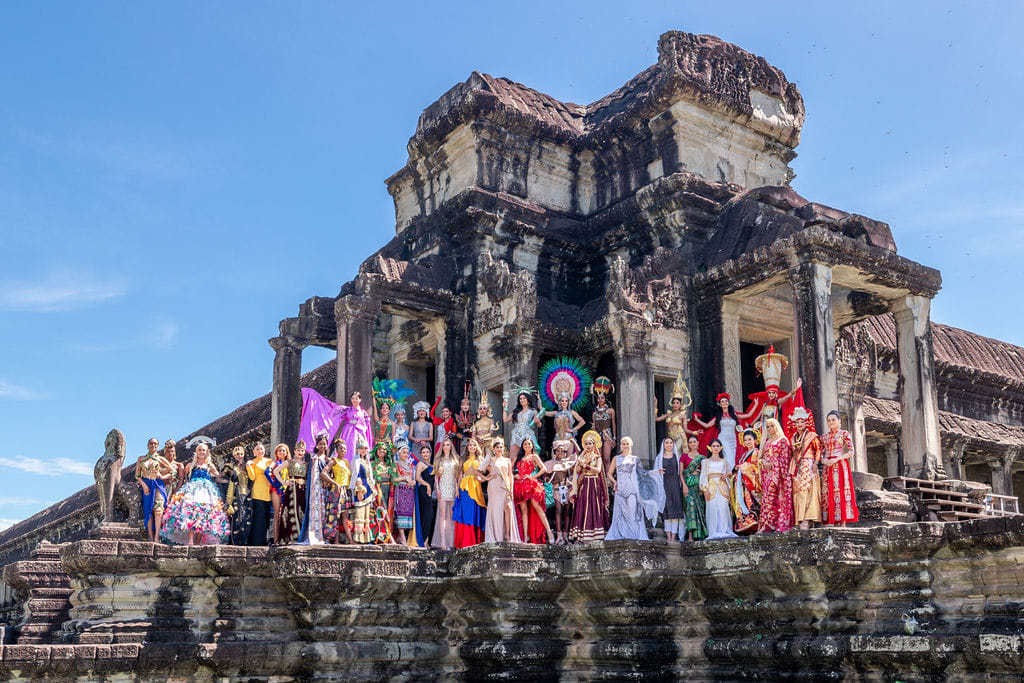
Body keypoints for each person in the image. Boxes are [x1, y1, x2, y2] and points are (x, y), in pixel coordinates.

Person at [160, 442, 230, 546]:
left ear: (207, 452)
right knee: (191, 512)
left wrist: (227, 477)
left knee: (203, 515)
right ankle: (190, 540)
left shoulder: (209, 465)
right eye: (200, 450)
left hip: (206, 491)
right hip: (193, 490)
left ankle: (198, 542)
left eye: (204, 450)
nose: (202, 452)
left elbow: (218, 476)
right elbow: (183, 479)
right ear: (196, 452)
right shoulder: (190, 465)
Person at [736, 347, 803, 440]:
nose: (771, 394)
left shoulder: (778, 402)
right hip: (764, 428)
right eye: (770, 393)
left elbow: (788, 396)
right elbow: (760, 415)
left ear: (776, 394)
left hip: (775, 428)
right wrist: (751, 424)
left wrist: (797, 387)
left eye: (773, 393)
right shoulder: (765, 404)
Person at [605, 436, 660, 541]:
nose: (625, 446)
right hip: (620, 489)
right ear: (621, 445)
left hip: (632, 489)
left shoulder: (635, 459)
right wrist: (615, 482)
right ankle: (623, 534)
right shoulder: (616, 458)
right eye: (623, 444)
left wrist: (655, 472)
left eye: (627, 444)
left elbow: (642, 474)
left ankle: (634, 535)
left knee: (632, 512)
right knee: (621, 513)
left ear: (631, 445)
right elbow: (609, 474)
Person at [567, 430, 609, 543]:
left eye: (590, 443)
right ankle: (581, 535)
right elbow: (578, 471)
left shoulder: (597, 457)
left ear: (594, 444)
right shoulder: (582, 457)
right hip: (584, 483)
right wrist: (580, 465)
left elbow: (598, 470)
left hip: (594, 484)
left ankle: (594, 535)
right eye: (586, 443)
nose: (588, 445)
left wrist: (585, 465)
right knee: (583, 506)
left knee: (593, 507)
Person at [478, 438, 522, 543]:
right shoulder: (490, 458)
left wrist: (511, 490)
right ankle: (497, 537)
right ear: (494, 449)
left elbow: (510, 475)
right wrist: (486, 478)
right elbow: (478, 470)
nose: (499, 449)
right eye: (497, 447)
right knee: (496, 510)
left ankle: (508, 535)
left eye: (501, 447)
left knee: (508, 509)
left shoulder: (507, 460)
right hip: (494, 486)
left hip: (505, 487)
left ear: (503, 448)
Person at [821, 410, 860, 526]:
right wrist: (824, 460)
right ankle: (833, 521)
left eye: (833, 420)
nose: (831, 422)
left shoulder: (844, 434)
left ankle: (842, 522)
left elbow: (851, 451)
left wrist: (836, 459)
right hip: (827, 467)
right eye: (828, 420)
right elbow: (819, 453)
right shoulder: (823, 437)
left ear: (839, 421)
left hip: (839, 465)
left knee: (841, 491)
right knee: (828, 492)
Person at [513, 438, 555, 544]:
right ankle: (526, 536)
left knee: (537, 507)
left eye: (529, 444)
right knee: (524, 510)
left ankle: (549, 532)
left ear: (532, 446)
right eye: (525, 444)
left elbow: (544, 469)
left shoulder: (534, 456)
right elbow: (514, 471)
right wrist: (515, 475)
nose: (527, 445)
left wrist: (533, 477)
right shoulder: (519, 458)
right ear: (522, 446)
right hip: (520, 486)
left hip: (531, 485)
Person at [135, 437, 176, 542]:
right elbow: (137, 475)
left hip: (157, 484)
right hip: (146, 484)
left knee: (158, 510)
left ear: (158, 446)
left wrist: (163, 477)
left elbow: (173, 472)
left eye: (155, 444)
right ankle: (150, 536)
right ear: (148, 445)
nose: (153, 446)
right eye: (151, 444)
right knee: (148, 511)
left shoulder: (160, 459)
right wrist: (143, 485)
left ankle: (157, 536)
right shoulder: (141, 459)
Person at [758, 418, 793, 533]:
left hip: (780, 475)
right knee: (768, 499)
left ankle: (781, 523)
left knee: (780, 498)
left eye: (772, 426)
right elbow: (762, 457)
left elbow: (786, 458)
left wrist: (773, 465)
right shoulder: (766, 442)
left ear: (776, 426)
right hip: (768, 475)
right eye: (767, 427)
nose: (770, 429)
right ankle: (768, 524)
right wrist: (763, 462)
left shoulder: (783, 440)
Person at [789, 407, 822, 530]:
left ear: (806, 422)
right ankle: (800, 518)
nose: (799, 424)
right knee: (798, 492)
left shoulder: (812, 435)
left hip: (808, 463)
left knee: (808, 490)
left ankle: (808, 518)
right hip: (796, 465)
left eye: (801, 421)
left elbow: (818, 450)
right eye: (797, 422)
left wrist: (815, 463)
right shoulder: (793, 437)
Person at [693, 393, 743, 471]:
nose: (724, 403)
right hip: (723, 439)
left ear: (728, 402)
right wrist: (696, 419)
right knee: (728, 458)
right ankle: (727, 476)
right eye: (722, 401)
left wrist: (757, 404)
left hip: (733, 440)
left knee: (733, 459)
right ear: (719, 404)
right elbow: (707, 425)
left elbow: (748, 415)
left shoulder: (734, 414)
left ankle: (730, 478)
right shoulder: (718, 416)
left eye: (726, 401)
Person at [452, 437, 486, 548]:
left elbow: (482, 474)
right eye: (470, 445)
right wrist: (457, 489)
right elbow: (460, 475)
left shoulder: (481, 459)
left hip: (476, 487)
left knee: (474, 512)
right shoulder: (463, 459)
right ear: (467, 447)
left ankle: (475, 540)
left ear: (477, 447)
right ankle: (465, 541)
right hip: (464, 488)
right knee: (465, 513)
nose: (472, 447)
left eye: (474, 445)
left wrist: (483, 479)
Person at [701, 439, 738, 540]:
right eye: (714, 446)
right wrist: (705, 490)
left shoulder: (724, 461)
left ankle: (725, 529)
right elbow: (703, 476)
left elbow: (730, 473)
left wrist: (725, 475)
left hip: (722, 486)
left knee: (723, 507)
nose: (716, 448)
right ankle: (713, 531)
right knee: (712, 507)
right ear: (710, 448)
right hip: (711, 485)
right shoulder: (705, 461)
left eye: (718, 446)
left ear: (720, 447)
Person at [296, 433, 329, 545]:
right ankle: (314, 534)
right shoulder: (314, 458)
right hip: (315, 487)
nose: (322, 446)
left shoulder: (327, 459)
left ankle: (323, 535)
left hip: (325, 488)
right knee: (315, 511)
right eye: (320, 444)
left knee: (324, 511)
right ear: (316, 445)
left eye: (324, 444)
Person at [655, 373, 699, 455]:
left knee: (677, 453)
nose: (675, 404)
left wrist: (694, 432)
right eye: (674, 402)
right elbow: (656, 419)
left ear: (680, 405)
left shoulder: (683, 416)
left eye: (677, 403)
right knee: (669, 453)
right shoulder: (668, 415)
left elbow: (686, 429)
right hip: (670, 437)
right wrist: (655, 404)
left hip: (679, 436)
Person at [273, 443, 309, 545]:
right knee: (290, 512)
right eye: (298, 450)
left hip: (302, 490)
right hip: (292, 489)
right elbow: (276, 471)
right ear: (294, 451)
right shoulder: (290, 462)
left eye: (302, 450)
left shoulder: (307, 464)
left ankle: (300, 537)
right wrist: (284, 482)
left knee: (301, 511)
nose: (300, 452)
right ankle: (290, 537)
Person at [652, 437, 686, 542]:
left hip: (675, 486)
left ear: (673, 445)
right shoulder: (659, 458)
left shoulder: (677, 457)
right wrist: (658, 471)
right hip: (664, 487)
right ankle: (669, 537)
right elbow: (654, 473)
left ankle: (674, 537)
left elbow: (681, 472)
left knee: (675, 513)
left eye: (671, 443)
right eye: (666, 442)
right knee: (667, 512)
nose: (669, 444)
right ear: (663, 445)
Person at [546, 439, 577, 545]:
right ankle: (559, 535)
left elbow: (578, 456)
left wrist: (574, 443)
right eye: (558, 451)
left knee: (567, 511)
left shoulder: (569, 462)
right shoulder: (551, 464)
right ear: (555, 452)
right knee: (558, 510)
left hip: (566, 488)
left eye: (562, 451)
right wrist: (551, 479)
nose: (560, 453)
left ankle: (566, 534)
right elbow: (546, 477)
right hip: (556, 488)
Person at [322, 439, 353, 544]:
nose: (343, 450)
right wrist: (335, 483)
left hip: (346, 490)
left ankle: (350, 540)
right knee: (336, 516)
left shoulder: (346, 462)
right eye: (341, 448)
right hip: (337, 490)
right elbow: (323, 473)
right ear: (336, 450)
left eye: (345, 449)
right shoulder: (334, 460)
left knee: (345, 516)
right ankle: (335, 540)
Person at [221, 446, 253, 546]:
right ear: (234, 455)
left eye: (241, 454)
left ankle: (245, 541)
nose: (239, 456)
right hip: (234, 495)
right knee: (235, 517)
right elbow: (219, 479)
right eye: (237, 454)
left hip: (247, 495)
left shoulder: (247, 466)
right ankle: (234, 542)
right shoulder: (229, 466)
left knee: (246, 518)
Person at [431, 438, 460, 549]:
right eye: (444, 445)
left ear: (451, 446)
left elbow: (458, 476)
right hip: (442, 488)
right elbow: (435, 476)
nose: (446, 447)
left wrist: (457, 489)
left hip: (452, 489)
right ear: (442, 447)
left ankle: (451, 542)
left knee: (452, 517)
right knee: (442, 516)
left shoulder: (455, 460)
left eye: (448, 445)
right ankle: (442, 542)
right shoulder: (439, 460)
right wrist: (437, 489)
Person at [731, 430, 761, 535]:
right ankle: (746, 526)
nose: (747, 442)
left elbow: (756, 467)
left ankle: (755, 524)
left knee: (751, 503)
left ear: (755, 440)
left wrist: (742, 467)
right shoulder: (744, 455)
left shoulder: (756, 452)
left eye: (750, 439)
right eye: (745, 440)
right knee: (744, 503)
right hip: (742, 483)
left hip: (750, 482)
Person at [245, 442, 274, 546]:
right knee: (259, 518)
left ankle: (267, 540)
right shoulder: (252, 462)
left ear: (264, 450)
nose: (259, 451)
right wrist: (249, 466)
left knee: (267, 517)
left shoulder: (269, 461)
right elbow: (252, 477)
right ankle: (257, 542)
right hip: (257, 492)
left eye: (261, 449)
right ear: (254, 451)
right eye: (257, 449)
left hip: (269, 492)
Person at [681, 436, 708, 541]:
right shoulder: (684, 457)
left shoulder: (702, 458)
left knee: (700, 509)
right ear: (688, 444)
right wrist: (684, 485)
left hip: (699, 487)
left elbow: (706, 473)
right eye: (690, 442)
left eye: (694, 442)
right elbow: (681, 473)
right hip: (688, 486)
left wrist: (699, 472)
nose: (692, 444)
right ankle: (691, 535)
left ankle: (701, 533)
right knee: (690, 508)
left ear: (697, 443)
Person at [503, 391, 543, 462]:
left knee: (528, 457)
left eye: (524, 398)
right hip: (516, 435)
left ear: (528, 400)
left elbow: (539, 425)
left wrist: (537, 421)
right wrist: (505, 408)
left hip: (527, 435)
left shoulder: (533, 411)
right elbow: (505, 419)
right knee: (512, 457)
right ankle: (512, 472)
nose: (522, 400)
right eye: (520, 399)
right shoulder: (516, 411)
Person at [338, 391, 374, 467]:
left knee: (359, 450)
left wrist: (360, 426)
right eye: (353, 398)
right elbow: (336, 413)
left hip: (359, 434)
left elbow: (367, 425)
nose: (354, 400)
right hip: (347, 434)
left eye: (356, 398)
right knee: (347, 449)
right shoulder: (347, 410)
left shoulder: (363, 413)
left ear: (360, 399)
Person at [411, 445, 437, 547]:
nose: (425, 454)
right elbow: (417, 478)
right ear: (421, 454)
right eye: (423, 452)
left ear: (430, 453)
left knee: (430, 516)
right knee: (427, 515)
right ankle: (423, 541)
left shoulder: (432, 465)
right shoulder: (420, 464)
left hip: (431, 492)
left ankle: (426, 540)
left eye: (427, 452)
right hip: (424, 491)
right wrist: (427, 485)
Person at [590, 377, 617, 474]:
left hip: (608, 435)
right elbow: (594, 426)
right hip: (597, 436)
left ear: (605, 399)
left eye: (602, 398)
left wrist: (614, 437)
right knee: (599, 459)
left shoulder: (610, 411)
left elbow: (613, 424)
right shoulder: (594, 413)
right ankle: (601, 479)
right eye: (598, 398)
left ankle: (608, 477)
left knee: (606, 458)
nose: (600, 400)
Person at [392, 445, 416, 544]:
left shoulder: (411, 465)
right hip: (401, 490)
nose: (405, 454)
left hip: (409, 491)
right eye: (403, 452)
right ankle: (402, 537)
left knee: (408, 513)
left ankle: (401, 536)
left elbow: (413, 478)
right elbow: (393, 479)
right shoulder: (396, 465)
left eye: (407, 452)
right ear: (399, 453)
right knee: (400, 512)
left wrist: (413, 482)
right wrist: (404, 478)